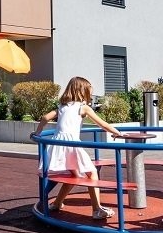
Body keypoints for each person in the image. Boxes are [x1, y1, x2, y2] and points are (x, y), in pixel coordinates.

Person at [31, 76, 125, 220]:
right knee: (92, 173)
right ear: (82, 92)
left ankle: (57, 203)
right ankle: (97, 209)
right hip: (72, 145)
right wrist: (117, 132)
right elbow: (102, 124)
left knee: (75, 175)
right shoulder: (83, 108)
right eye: (89, 92)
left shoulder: (61, 107)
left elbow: (45, 118)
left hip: (58, 146)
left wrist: (37, 133)